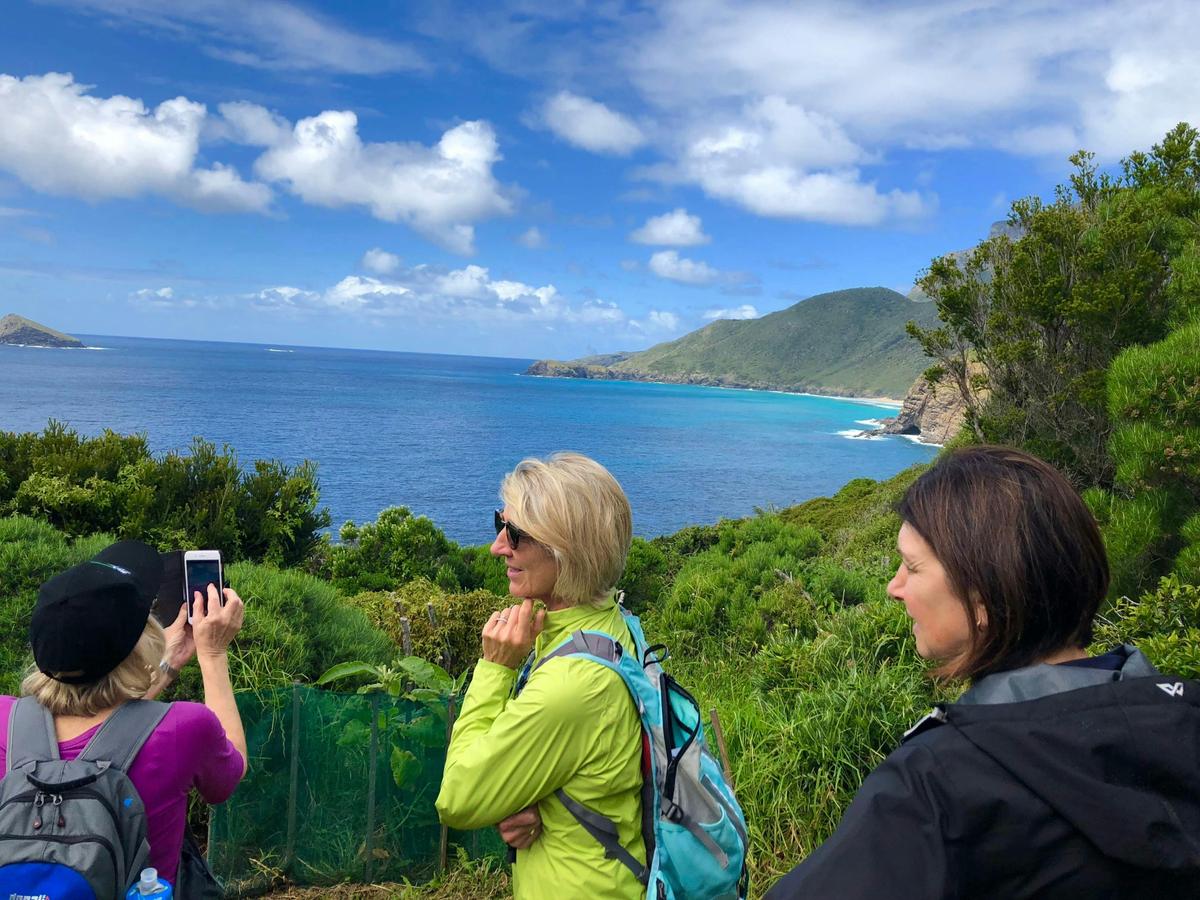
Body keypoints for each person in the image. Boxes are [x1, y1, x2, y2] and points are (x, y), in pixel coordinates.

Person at [766, 446, 1200, 898]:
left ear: (982, 599)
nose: (894, 587)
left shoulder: (936, 787)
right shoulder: (1182, 720)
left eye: (912, 567)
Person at [436, 452, 645, 899]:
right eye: (500, 522)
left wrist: (494, 669)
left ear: (566, 550)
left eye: (515, 533)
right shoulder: (611, 624)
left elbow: (457, 797)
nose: (497, 546)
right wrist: (523, 795)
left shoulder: (572, 685)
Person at [0, 540, 248, 887]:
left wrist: (170, 663)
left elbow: (101, 717)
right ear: (141, 644)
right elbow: (229, 775)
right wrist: (213, 653)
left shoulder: (6, 722)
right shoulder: (185, 728)